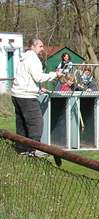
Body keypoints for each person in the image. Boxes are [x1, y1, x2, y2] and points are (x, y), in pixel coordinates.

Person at [11, 38, 63, 166]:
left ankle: (21, 148)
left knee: (22, 122)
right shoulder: (33, 59)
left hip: (16, 94)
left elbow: (26, 77)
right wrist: (55, 74)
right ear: (33, 46)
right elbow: (38, 77)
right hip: (26, 96)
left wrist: (38, 89)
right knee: (36, 123)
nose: (42, 48)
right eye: (40, 46)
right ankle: (33, 149)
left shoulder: (23, 57)